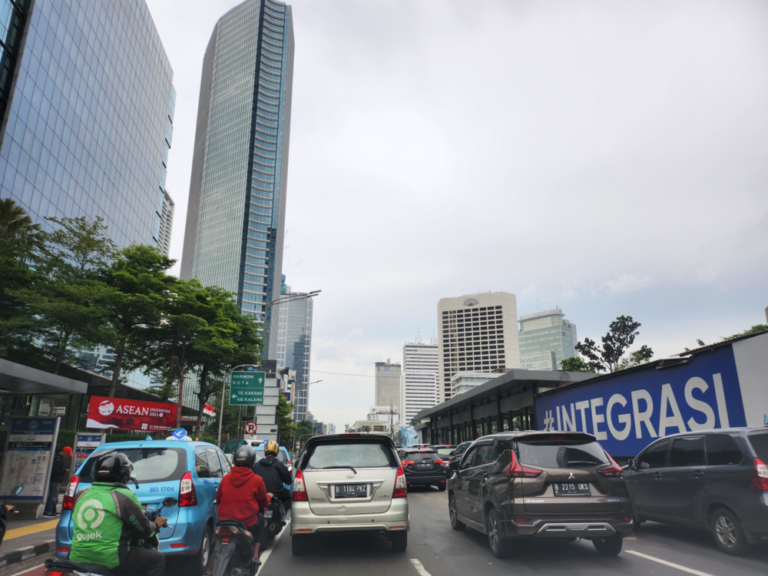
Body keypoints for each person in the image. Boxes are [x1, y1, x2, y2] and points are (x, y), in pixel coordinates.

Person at [70, 451, 167, 576]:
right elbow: (143, 530)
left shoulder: (81, 494)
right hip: (112, 558)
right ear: (124, 474)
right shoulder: (124, 496)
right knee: (157, 559)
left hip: (77, 556)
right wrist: (156, 525)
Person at [216, 445, 270, 564]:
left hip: (224, 520)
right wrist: (268, 498)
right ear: (252, 462)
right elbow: (262, 501)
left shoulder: (225, 478)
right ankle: (255, 554)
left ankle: (209, 567)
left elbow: (218, 499)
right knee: (261, 520)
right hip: (246, 523)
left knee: (215, 540)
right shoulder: (257, 480)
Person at [252, 441, 292, 508]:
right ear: (276, 451)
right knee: (288, 494)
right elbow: (289, 481)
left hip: (259, 493)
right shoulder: (279, 464)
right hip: (276, 493)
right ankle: (285, 515)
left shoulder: (256, 465)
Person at [43, 446, 72, 517]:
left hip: (55, 480)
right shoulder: (58, 459)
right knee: (53, 496)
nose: (67, 455)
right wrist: (65, 471)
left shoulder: (57, 457)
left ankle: (52, 511)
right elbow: (55, 471)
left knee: (54, 496)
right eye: (68, 454)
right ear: (64, 452)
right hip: (55, 480)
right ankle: (48, 512)